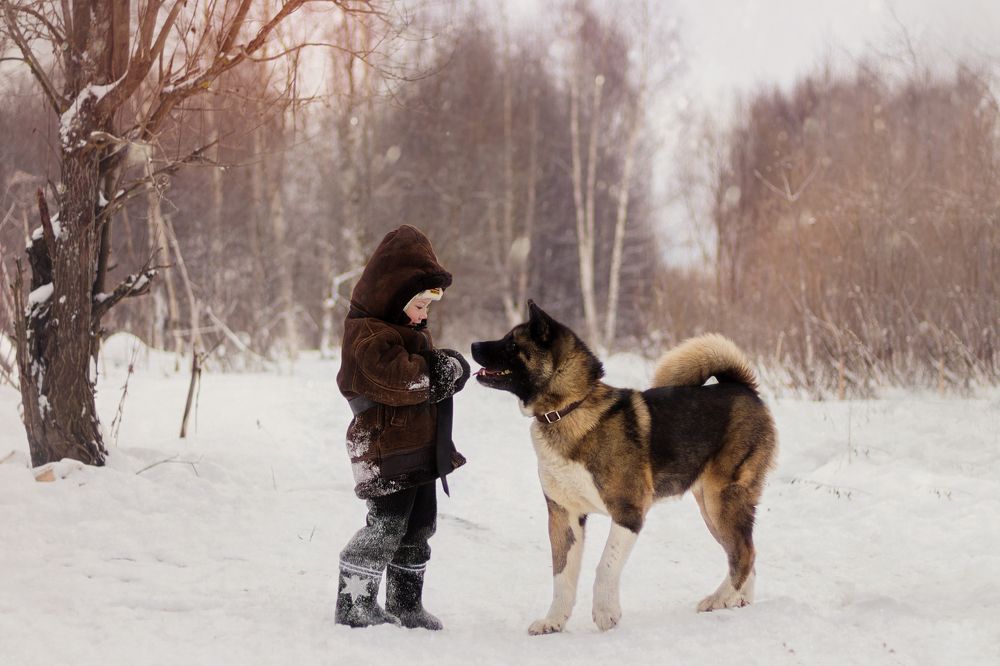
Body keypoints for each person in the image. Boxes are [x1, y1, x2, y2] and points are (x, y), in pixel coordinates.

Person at [335, 225, 470, 630]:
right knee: (387, 524)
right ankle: (354, 603)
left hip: (414, 449)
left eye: (428, 307)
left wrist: (448, 368)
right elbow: (397, 380)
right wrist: (436, 371)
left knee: (420, 524)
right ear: (392, 299)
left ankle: (405, 603)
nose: (424, 315)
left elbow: (421, 376)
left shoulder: (407, 332)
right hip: (383, 450)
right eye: (418, 306)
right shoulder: (366, 335)